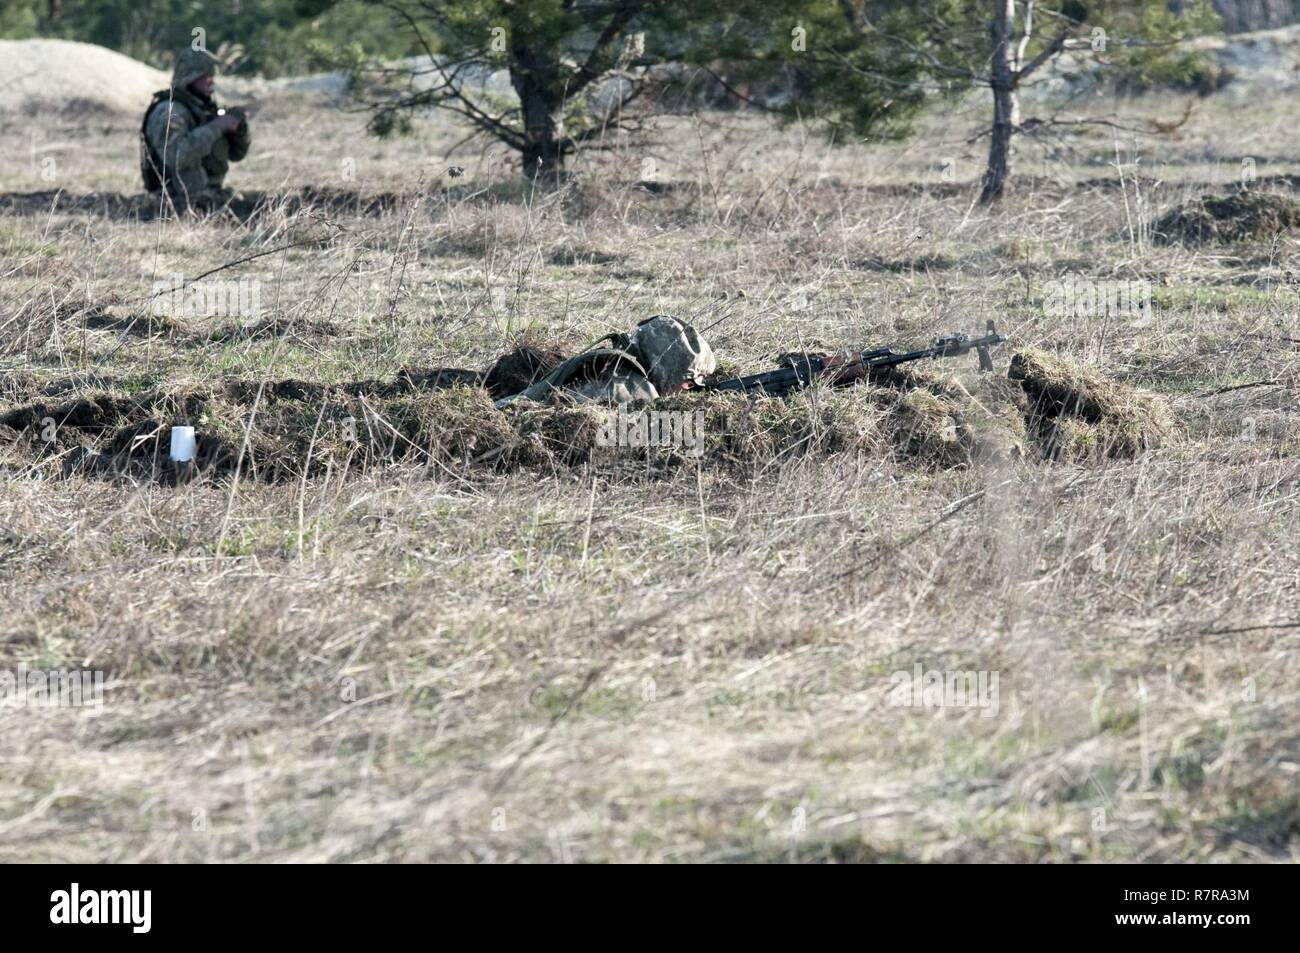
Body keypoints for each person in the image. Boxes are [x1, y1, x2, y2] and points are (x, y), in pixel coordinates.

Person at [496, 315, 716, 406]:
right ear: (666, 367)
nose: (692, 389)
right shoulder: (629, 389)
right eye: (691, 380)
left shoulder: (623, 370)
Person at [140, 48, 250, 213]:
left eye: (212, 76)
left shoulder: (202, 109)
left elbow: (237, 155)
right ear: (189, 78)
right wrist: (217, 127)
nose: (211, 81)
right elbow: (176, 155)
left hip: (208, 197)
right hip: (174, 202)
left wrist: (238, 130)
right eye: (205, 76)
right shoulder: (170, 111)